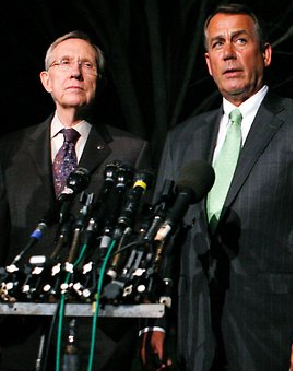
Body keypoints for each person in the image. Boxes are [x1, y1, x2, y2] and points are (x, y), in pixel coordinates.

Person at [140, 3, 293, 371]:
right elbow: (163, 238)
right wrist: (154, 321)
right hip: (195, 333)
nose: (228, 53)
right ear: (208, 63)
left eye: (240, 40)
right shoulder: (182, 139)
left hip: (273, 331)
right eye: (218, 45)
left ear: (266, 53)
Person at [0, 30, 150, 371]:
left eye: (87, 65)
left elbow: (135, 241)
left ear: (99, 80)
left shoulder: (131, 151)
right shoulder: (8, 150)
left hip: (97, 331)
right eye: (64, 62)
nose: (76, 72)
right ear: (46, 79)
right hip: (19, 329)